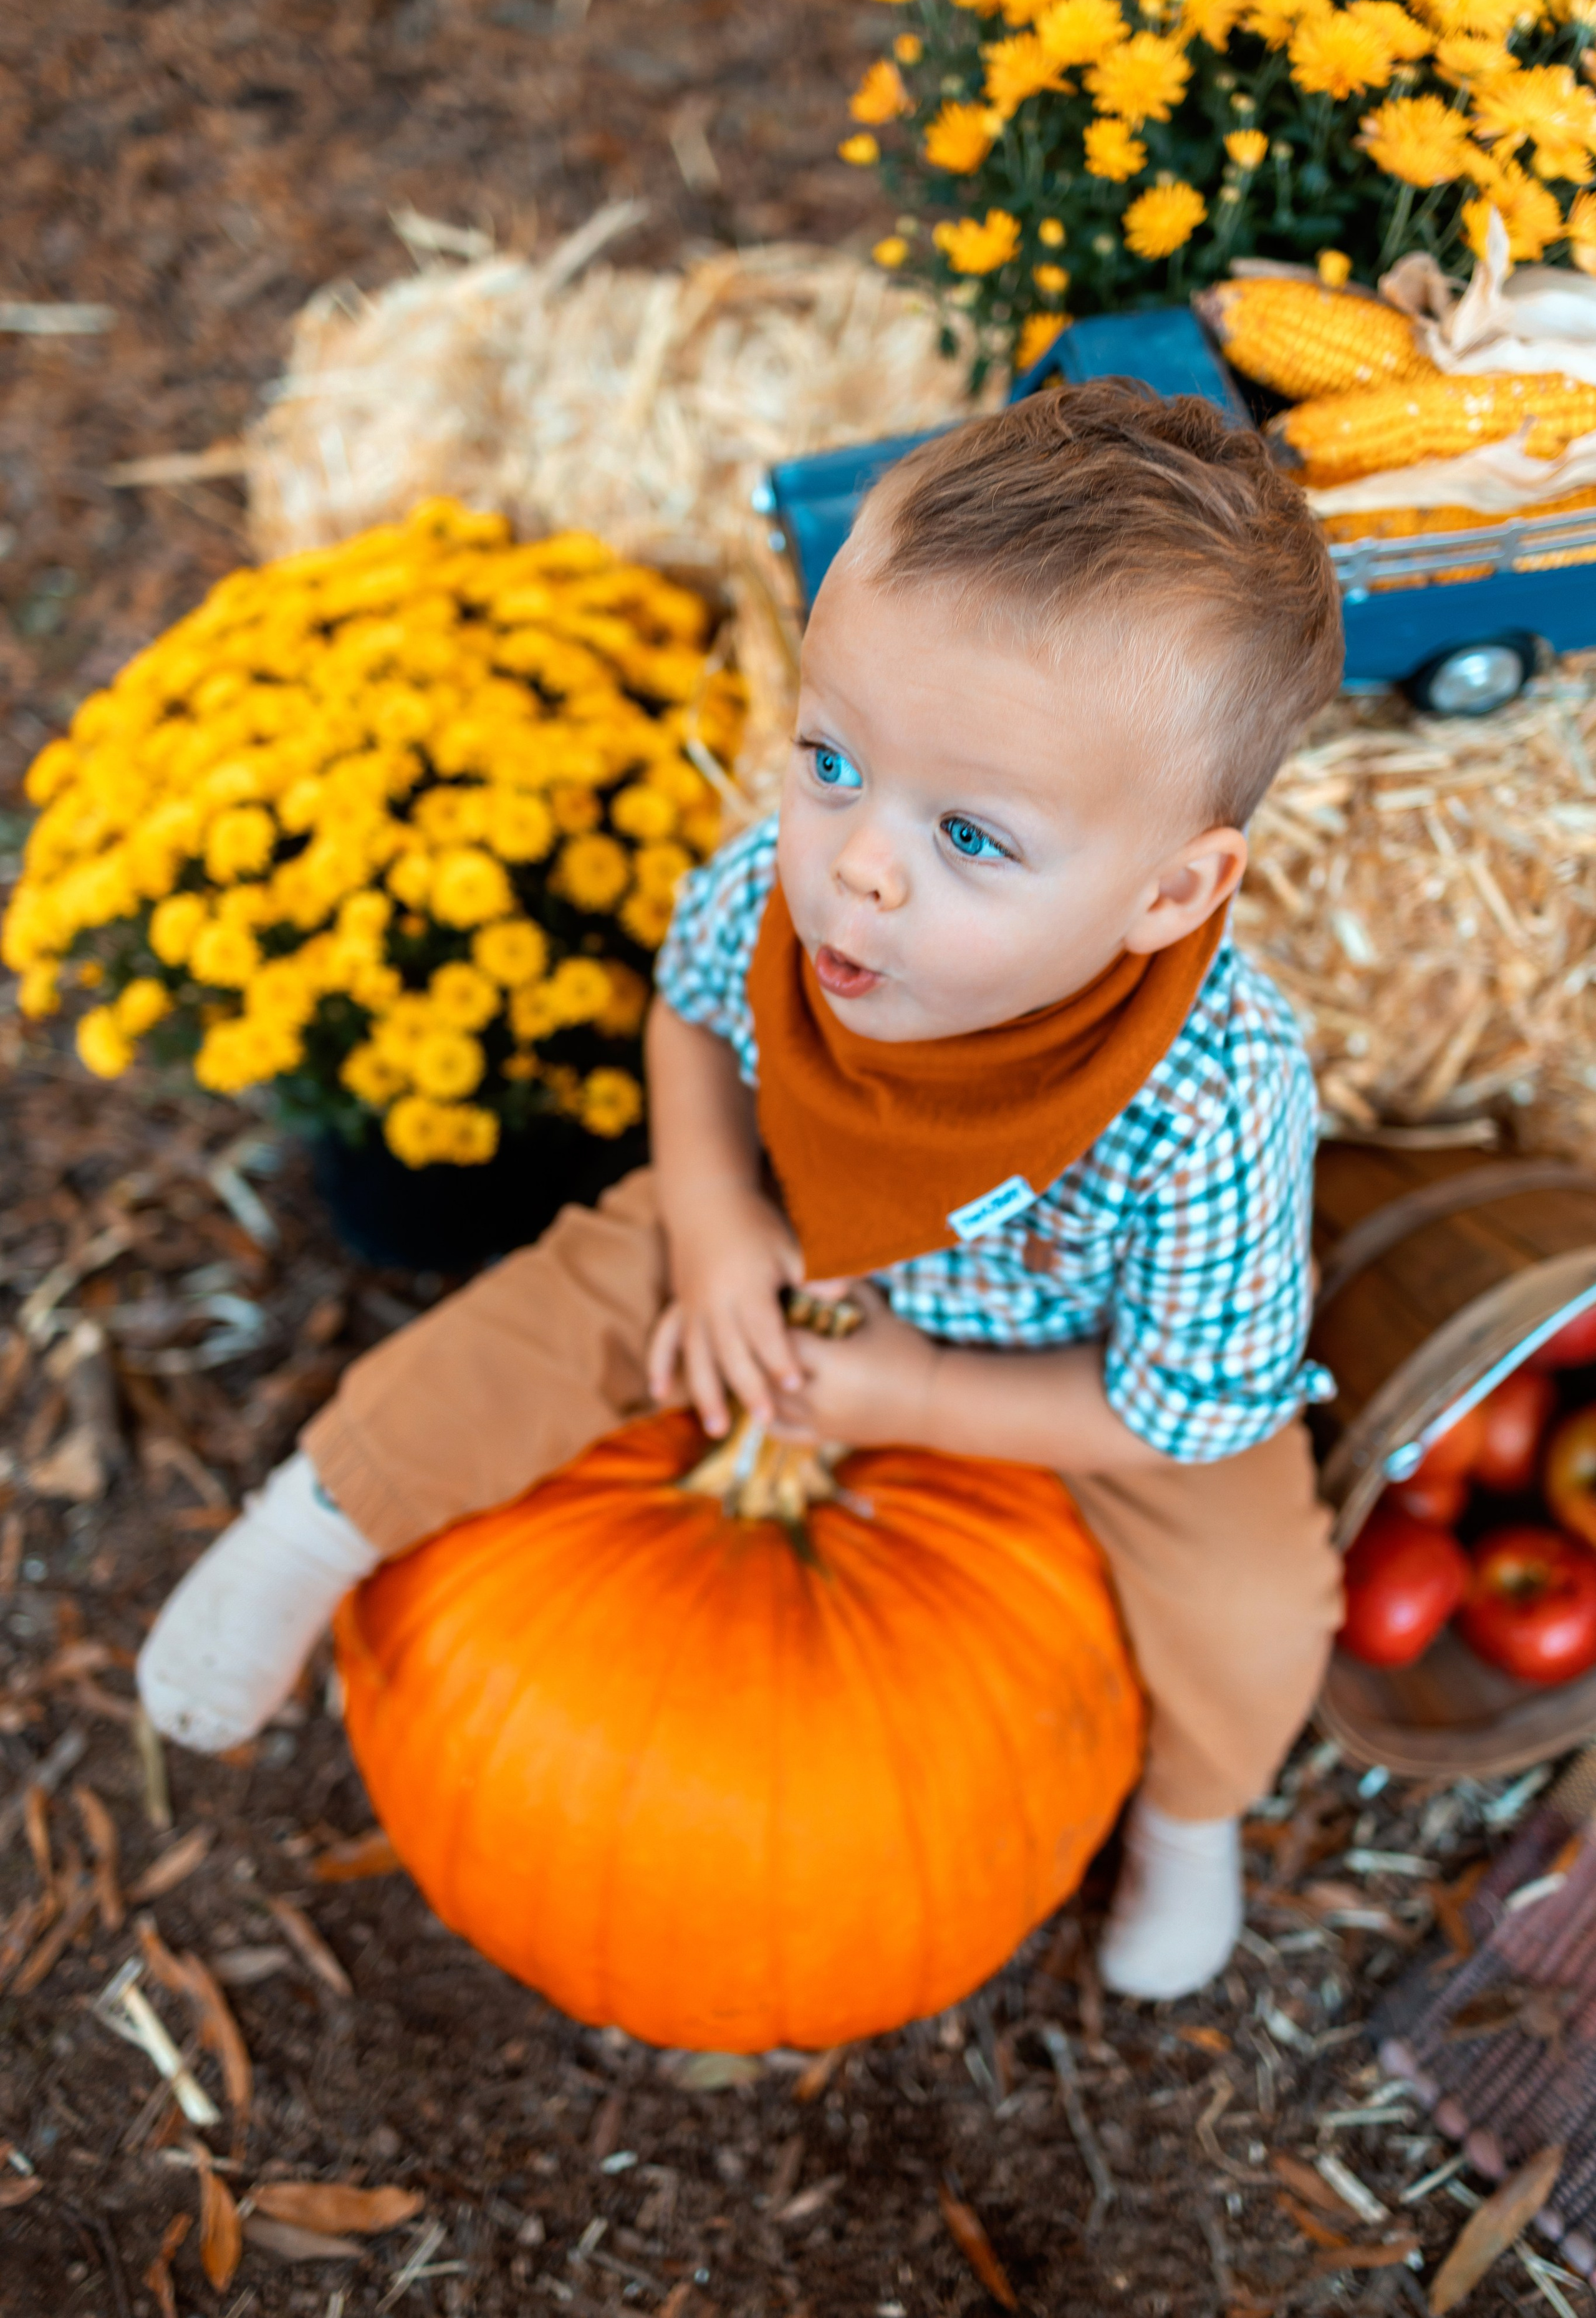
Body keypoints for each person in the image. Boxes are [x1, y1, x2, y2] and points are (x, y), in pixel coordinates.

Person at [138, 379, 1346, 2002]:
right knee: (565, 1295)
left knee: (1260, 1592)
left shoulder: (1214, 1097)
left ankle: (1195, 1813)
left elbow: (1186, 1407)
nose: (862, 860)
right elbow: (694, 1018)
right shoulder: (792, 900)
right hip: (790, 1224)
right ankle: (317, 1520)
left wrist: (910, 1392)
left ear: (1171, 889)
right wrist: (709, 1222)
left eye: (973, 838)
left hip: (1063, 1373)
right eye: (832, 756)